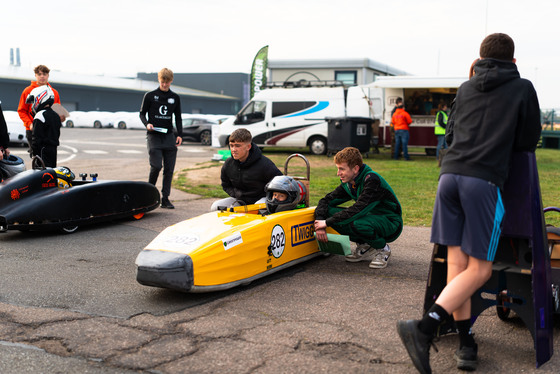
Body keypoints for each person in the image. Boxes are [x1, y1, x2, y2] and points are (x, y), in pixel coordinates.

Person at [396, 33, 542, 373]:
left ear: (479, 59)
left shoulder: (465, 87)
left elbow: (450, 135)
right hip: (482, 182)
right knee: (481, 270)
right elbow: (527, 140)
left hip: (448, 179)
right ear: (514, 62)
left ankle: (465, 343)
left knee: (456, 268)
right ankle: (424, 328)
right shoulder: (523, 87)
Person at [314, 147, 403, 269]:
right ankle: (365, 245)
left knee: (357, 222)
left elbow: (358, 209)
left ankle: (383, 249)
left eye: (341, 169)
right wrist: (320, 222)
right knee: (329, 211)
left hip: (390, 221)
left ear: (355, 169)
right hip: (368, 217)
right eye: (338, 168)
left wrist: (327, 222)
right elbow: (326, 200)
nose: (338, 173)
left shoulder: (372, 180)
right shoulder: (350, 183)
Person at [140, 68, 183, 209]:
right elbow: (142, 114)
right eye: (162, 82)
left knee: (169, 169)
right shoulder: (150, 96)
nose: (165, 84)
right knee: (157, 166)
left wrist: (180, 135)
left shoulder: (175, 97)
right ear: (159, 80)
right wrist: (147, 124)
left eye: (167, 82)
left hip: (169, 136)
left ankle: (165, 198)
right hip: (154, 137)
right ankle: (148, 195)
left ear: (171, 81)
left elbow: (178, 118)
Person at [211, 128, 282, 211]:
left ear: (248, 146)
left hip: (261, 201)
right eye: (231, 145)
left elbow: (280, 183)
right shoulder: (228, 163)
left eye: (238, 146)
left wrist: (270, 198)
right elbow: (225, 184)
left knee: (257, 208)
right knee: (215, 207)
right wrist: (236, 195)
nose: (233, 150)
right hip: (240, 201)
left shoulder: (265, 164)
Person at [17, 65, 63, 155]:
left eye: (44, 74)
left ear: (48, 76)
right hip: (33, 129)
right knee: (37, 157)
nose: (42, 76)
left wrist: (60, 118)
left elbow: (58, 111)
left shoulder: (54, 92)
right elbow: (21, 111)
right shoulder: (28, 91)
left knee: (50, 156)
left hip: (50, 130)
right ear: (35, 75)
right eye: (39, 74)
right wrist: (30, 124)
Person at [26, 85, 62, 167]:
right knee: (51, 173)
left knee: (42, 177)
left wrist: (34, 153)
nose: (32, 104)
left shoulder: (40, 116)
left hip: (42, 153)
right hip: (53, 152)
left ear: (40, 97)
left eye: (33, 101)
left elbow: (36, 139)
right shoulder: (56, 115)